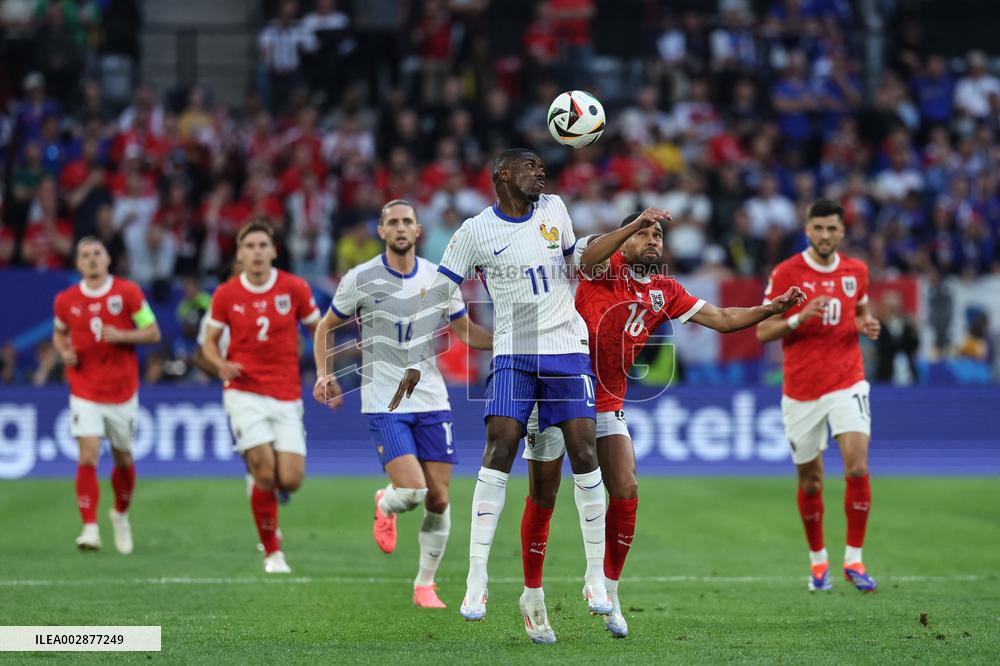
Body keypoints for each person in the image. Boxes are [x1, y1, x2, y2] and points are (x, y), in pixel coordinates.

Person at [523, 210, 805, 637]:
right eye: (644, 233)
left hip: (604, 403)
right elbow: (590, 255)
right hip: (555, 389)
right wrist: (631, 226)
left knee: (626, 486)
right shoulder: (602, 267)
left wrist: (772, 308)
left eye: (657, 234)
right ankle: (533, 597)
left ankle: (608, 591)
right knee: (544, 496)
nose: (652, 239)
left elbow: (725, 320)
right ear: (626, 237)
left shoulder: (665, 290)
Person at [389, 149, 611, 644]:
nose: (541, 172)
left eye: (541, 166)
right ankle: (477, 579)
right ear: (504, 175)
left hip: (565, 348)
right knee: (499, 449)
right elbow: (441, 295)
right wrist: (411, 357)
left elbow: (577, 258)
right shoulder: (473, 232)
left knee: (583, 450)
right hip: (512, 352)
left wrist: (626, 228)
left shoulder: (554, 208)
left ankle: (595, 578)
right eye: (531, 165)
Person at [313, 199, 492, 609]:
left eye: (406, 221)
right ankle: (385, 501)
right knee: (412, 491)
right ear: (381, 231)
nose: (399, 227)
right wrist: (325, 374)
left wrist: (502, 342)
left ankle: (424, 585)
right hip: (382, 399)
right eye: (391, 221)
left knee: (440, 499)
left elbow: (464, 330)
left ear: (417, 231)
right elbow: (326, 327)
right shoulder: (360, 278)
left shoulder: (438, 278)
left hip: (431, 396)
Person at [756, 199, 881, 593]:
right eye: (818, 228)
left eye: (832, 229)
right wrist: (799, 317)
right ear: (807, 230)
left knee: (857, 466)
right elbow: (762, 331)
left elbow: (860, 308)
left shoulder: (856, 271)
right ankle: (818, 561)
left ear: (842, 232)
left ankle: (854, 559)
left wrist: (867, 323)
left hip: (848, 380)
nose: (825, 235)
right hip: (801, 389)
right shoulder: (787, 272)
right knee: (811, 481)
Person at [201, 220, 321, 574]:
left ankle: (264, 482)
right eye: (249, 246)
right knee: (266, 473)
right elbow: (208, 341)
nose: (256, 252)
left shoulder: (294, 287)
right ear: (239, 254)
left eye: (261, 245)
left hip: (286, 394)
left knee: (292, 479)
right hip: (244, 393)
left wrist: (325, 370)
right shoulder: (225, 295)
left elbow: (319, 329)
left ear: (273, 251)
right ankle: (273, 552)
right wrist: (220, 364)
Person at [52, 237, 162, 553]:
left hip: (122, 392)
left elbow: (152, 331)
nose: (91, 259)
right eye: (84, 255)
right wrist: (64, 352)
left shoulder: (127, 293)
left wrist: (124, 334)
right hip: (85, 389)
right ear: (77, 264)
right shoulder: (66, 300)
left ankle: (120, 514)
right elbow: (59, 333)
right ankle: (89, 528)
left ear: (108, 259)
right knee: (87, 454)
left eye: (97, 254)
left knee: (123, 459)